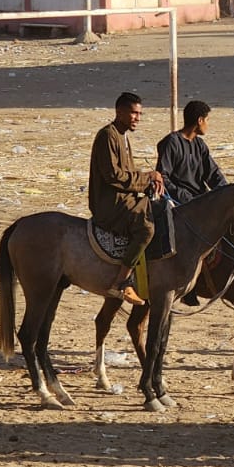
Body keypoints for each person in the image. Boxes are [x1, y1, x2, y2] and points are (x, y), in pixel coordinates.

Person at [89, 91, 163, 306]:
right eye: (132, 113)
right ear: (119, 112)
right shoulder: (107, 136)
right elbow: (114, 176)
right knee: (147, 228)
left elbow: (127, 175)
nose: (137, 118)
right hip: (111, 204)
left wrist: (150, 183)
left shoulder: (122, 137)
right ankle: (121, 282)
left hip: (124, 198)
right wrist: (147, 178)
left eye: (139, 114)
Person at [156, 99, 227, 307]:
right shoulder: (171, 143)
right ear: (199, 120)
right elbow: (163, 177)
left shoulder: (199, 145)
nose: (208, 125)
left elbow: (213, 174)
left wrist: (225, 193)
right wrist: (187, 198)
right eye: (207, 120)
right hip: (178, 204)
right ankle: (188, 283)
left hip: (201, 202)